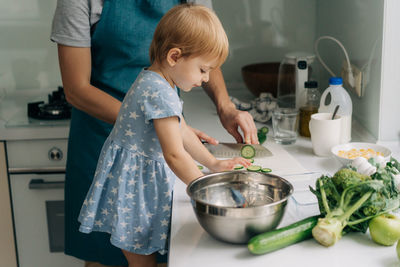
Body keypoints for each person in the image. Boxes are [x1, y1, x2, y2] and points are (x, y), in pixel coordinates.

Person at [51, 0, 257, 266]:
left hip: (135, 184)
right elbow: (174, 154)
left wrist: (214, 162)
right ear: (174, 56)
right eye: (203, 71)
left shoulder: (158, 79)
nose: (206, 78)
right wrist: (206, 189)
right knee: (128, 260)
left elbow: (180, 129)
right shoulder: (159, 91)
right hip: (129, 187)